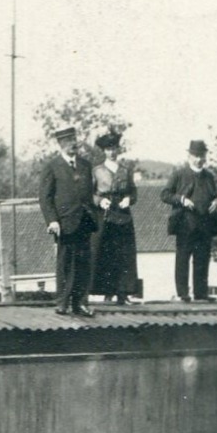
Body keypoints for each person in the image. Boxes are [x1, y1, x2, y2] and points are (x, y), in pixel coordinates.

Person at [39, 125, 97, 317]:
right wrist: (52, 221)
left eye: (74, 140)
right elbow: (45, 198)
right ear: (60, 144)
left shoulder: (86, 165)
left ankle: (80, 302)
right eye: (68, 141)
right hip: (64, 222)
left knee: (83, 262)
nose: (73, 144)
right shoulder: (52, 167)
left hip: (85, 220)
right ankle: (62, 302)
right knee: (65, 262)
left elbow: (89, 193)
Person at [161, 140, 217, 302]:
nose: (199, 159)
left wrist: (216, 201)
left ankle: (201, 293)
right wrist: (182, 200)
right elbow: (165, 194)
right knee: (183, 258)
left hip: (205, 223)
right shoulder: (179, 174)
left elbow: (214, 195)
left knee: (202, 258)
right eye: (195, 156)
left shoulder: (209, 176)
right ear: (189, 156)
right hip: (185, 223)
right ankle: (183, 293)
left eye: (202, 156)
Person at [89, 130, 139, 304]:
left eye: (114, 148)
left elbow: (133, 192)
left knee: (124, 254)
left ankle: (123, 292)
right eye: (108, 149)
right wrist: (99, 201)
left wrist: (129, 199)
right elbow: (90, 194)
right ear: (104, 151)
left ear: (119, 149)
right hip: (105, 216)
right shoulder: (97, 171)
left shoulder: (126, 171)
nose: (112, 152)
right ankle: (107, 292)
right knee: (106, 253)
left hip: (123, 215)